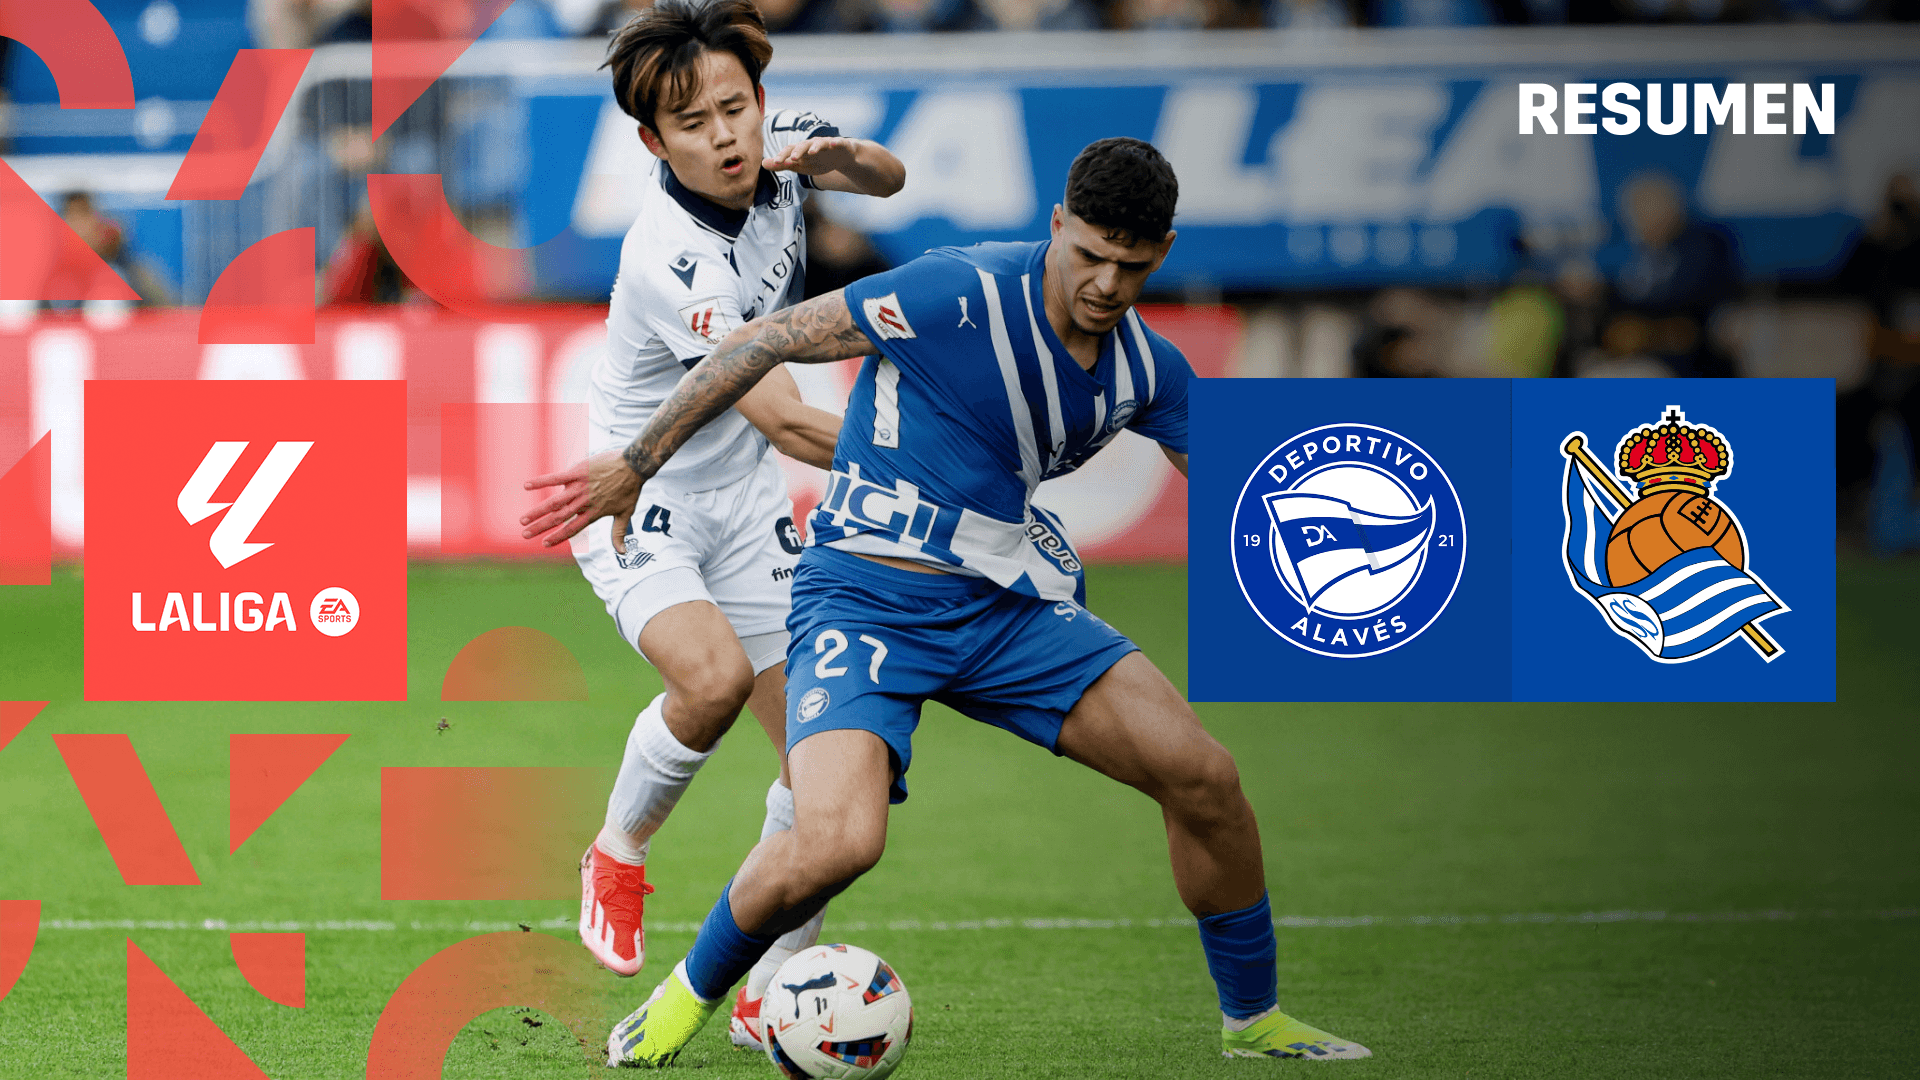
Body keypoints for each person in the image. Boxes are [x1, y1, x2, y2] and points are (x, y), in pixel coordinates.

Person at [523, 136, 1370, 1065]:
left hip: (1007, 609)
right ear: (1059, 225)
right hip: (864, 601)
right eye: (1089, 254)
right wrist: (637, 461)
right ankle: (685, 998)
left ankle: (1255, 1022)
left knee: (1204, 777)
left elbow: (1260, 487)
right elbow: (765, 340)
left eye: (1130, 266)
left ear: (1162, 252)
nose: (1105, 283)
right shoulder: (954, 292)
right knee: (838, 841)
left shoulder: (1148, 370)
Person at [518, 0, 904, 1052]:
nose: (726, 136)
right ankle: (618, 850)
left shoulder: (774, 156)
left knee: (830, 768)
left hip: (746, 505)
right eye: (694, 123)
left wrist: (832, 155)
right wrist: (927, 468)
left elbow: (889, 180)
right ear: (654, 143)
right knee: (713, 681)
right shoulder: (671, 257)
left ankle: (770, 991)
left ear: (760, 99)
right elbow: (782, 415)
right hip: (638, 498)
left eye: (737, 108)